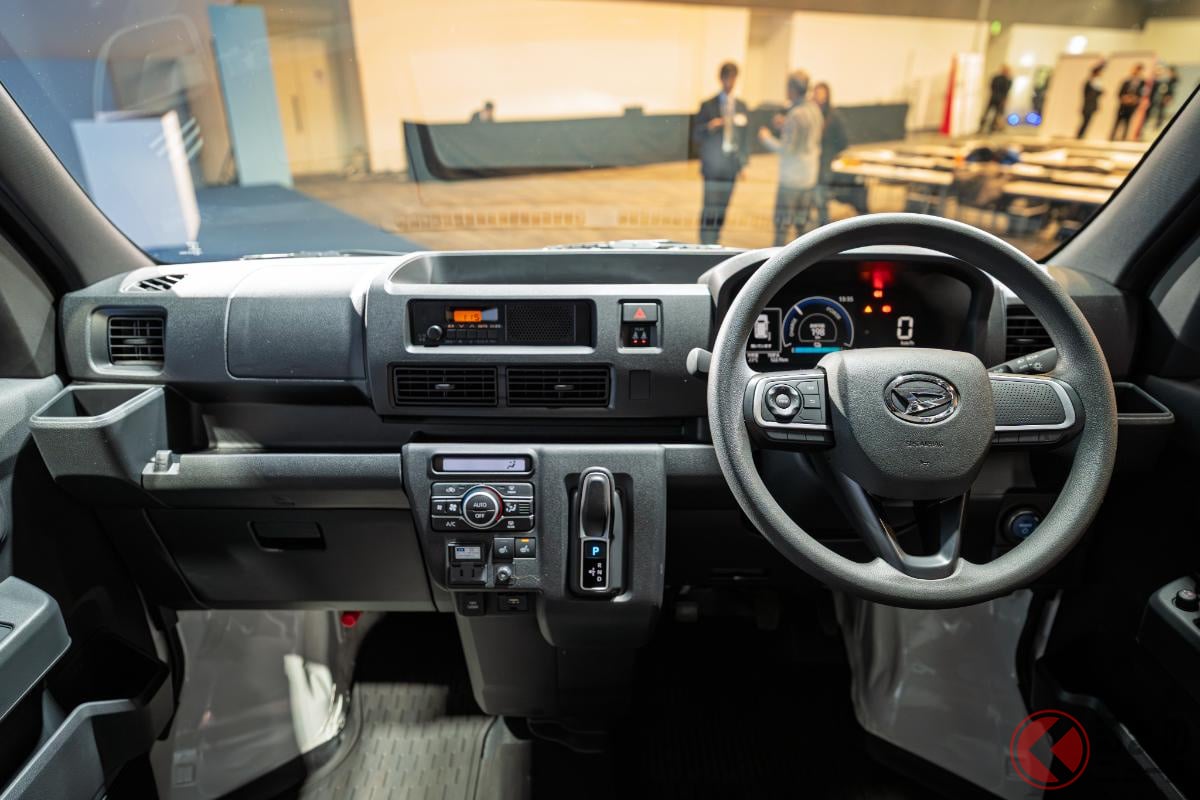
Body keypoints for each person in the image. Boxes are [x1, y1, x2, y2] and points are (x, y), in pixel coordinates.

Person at [758, 70, 823, 246]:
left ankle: (779, 261)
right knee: (804, 229)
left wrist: (766, 138)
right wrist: (785, 125)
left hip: (791, 181)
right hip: (808, 178)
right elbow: (806, 137)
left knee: (782, 227)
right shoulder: (814, 109)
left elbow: (786, 149)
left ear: (792, 89)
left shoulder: (796, 114)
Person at [693, 62, 750, 245]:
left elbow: (745, 138)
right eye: (726, 78)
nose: (729, 82)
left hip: (731, 164)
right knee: (710, 205)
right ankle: (705, 242)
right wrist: (710, 126)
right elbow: (696, 134)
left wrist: (743, 164)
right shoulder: (708, 105)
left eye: (733, 78)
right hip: (713, 165)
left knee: (723, 205)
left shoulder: (741, 106)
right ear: (721, 79)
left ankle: (715, 239)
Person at [811, 81, 848, 228]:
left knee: (821, 200)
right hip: (811, 164)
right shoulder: (811, 114)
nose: (817, 96)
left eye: (820, 93)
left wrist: (831, 154)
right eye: (815, 93)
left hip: (824, 166)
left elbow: (843, 141)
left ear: (827, 96)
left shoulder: (834, 116)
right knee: (812, 201)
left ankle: (824, 228)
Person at [1111, 63, 1145, 140]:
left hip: (1132, 106)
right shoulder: (1126, 81)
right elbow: (1119, 93)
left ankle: (1123, 137)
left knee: (1128, 122)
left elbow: (1142, 94)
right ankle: (1112, 136)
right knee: (1117, 122)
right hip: (1123, 105)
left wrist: (1134, 99)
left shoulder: (1142, 83)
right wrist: (1124, 98)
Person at [979, 65, 1012, 134]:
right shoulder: (1005, 79)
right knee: (989, 113)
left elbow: (993, 86)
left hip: (996, 98)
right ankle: (984, 127)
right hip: (996, 98)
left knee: (994, 114)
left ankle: (991, 128)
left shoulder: (1003, 79)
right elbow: (1005, 90)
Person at [1077, 62, 1105, 139]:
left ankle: (1081, 135)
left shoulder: (1097, 83)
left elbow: (1100, 93)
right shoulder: (1089, 83)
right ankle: (1079, 135)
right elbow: (1086, 95)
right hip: (1087, 105)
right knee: (1085, 121)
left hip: (1092, 105)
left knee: (1088, 121)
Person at [1150, 65, 1179, 129]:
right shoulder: (1163, 79)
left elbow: (1173, 84)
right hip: (1157, 97)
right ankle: (1155, 124)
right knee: (1155, 110)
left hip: (1164, 98)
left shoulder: (1172, 79)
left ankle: (1158, 124)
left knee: (1161, 111)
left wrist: (1169, 97)